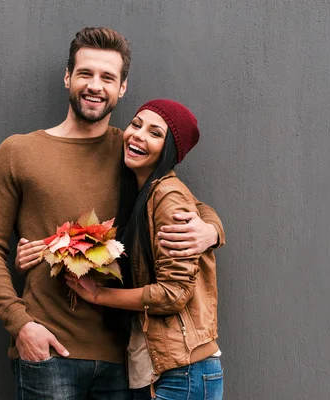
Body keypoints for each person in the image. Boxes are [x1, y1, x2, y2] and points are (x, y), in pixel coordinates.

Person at [0, 27, 224, 399]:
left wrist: (212, 230)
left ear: (122, 88)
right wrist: (21, 325)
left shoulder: (132, 148)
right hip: (48, 351)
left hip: (123, 359)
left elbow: (180, 198)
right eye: (86, 73)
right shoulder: (18, 151)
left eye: (108, 77)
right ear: (67, 77)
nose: (95, 85)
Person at [66, 99, 224, 399]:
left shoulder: (166, 195)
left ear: (169, 151)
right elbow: (203, 208)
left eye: (155, 132)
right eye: (136, 124)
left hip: (183, 373)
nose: (138, 135)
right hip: (159, 370)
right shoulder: (145, 192)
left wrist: (99, 295)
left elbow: (174, 292)